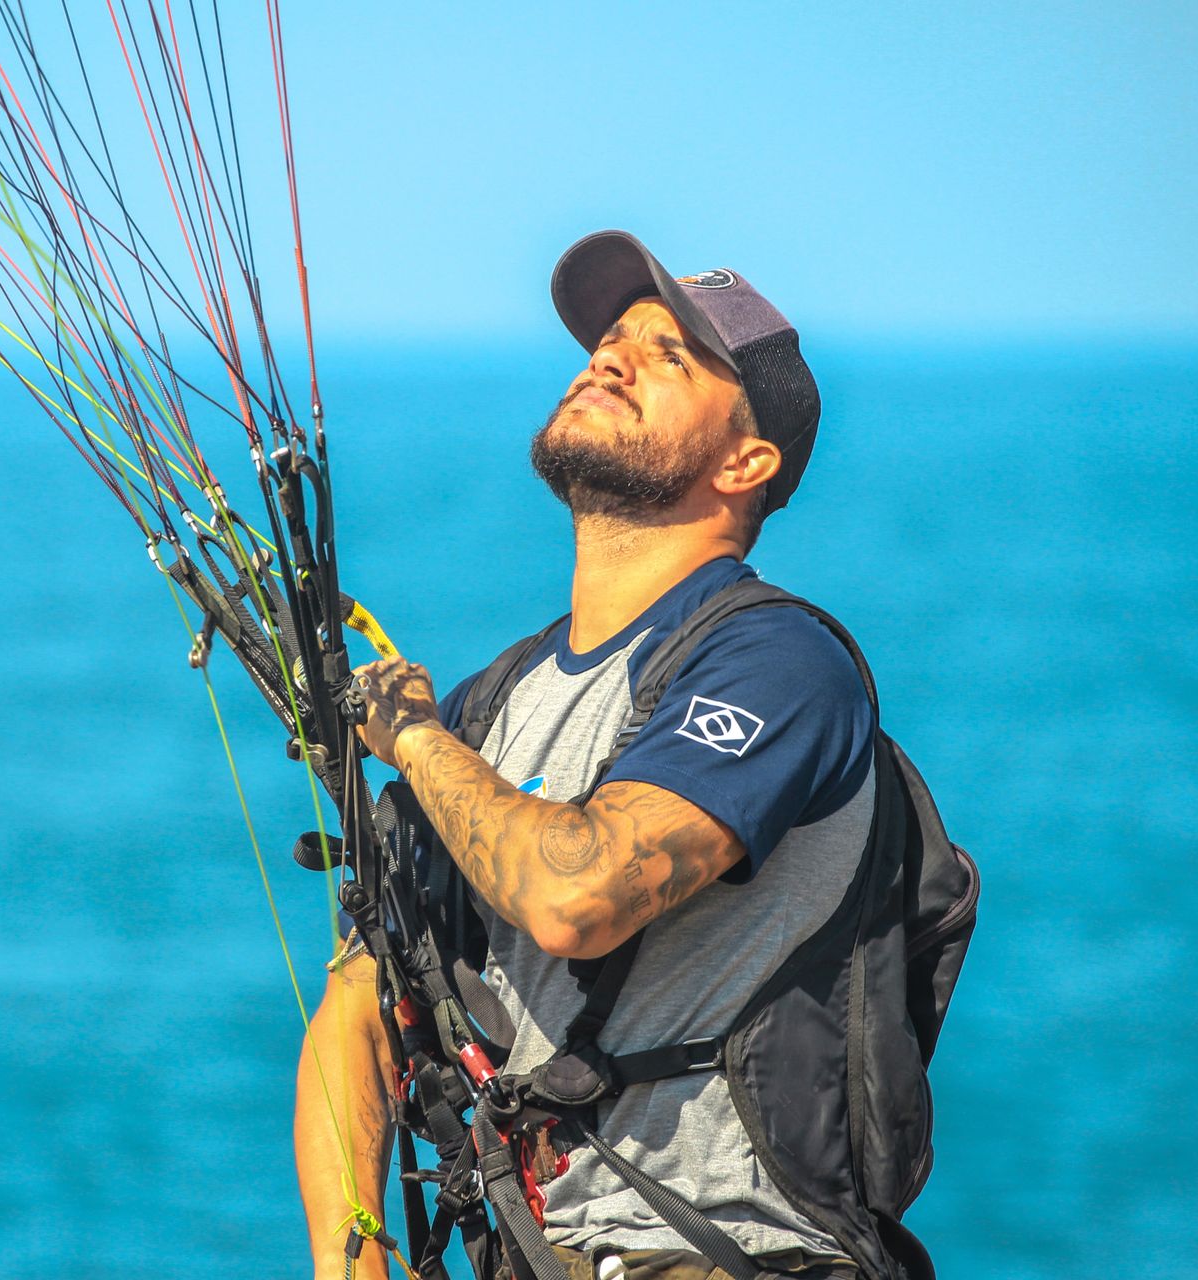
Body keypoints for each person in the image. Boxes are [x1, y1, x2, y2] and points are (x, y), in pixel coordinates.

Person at [295, 231, 880, 1280]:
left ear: (748, 462)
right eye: (612, 340)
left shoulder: (779, 662)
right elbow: (360, 1007)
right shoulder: (498, 698)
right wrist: (354, 1257)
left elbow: (580, 891)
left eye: (669, 358)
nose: (610, 357)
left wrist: (417, 740)